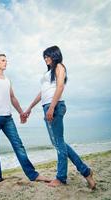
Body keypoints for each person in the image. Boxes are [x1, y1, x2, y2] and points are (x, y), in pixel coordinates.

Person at [24, 46, 96, 189]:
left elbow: (60, 87)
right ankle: (86, 172)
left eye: (47, 56)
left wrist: (51, 107)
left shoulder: (60, 67)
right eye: (44, 57)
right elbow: (42, 92)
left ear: (55, 55)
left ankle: (61, 178)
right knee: (59, 143)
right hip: (48, 106)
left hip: (54, 106)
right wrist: (30, 107)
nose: (45, 59)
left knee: (58, 144)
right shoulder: (49, 72)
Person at [0, 53, 50, 183]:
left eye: (6, 60)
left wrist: (21, 112)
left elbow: (12, 97)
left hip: (8, 119)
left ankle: (33, 175)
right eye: (3, 60)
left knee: (18, 145)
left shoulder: (7, 80)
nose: (5, 62)